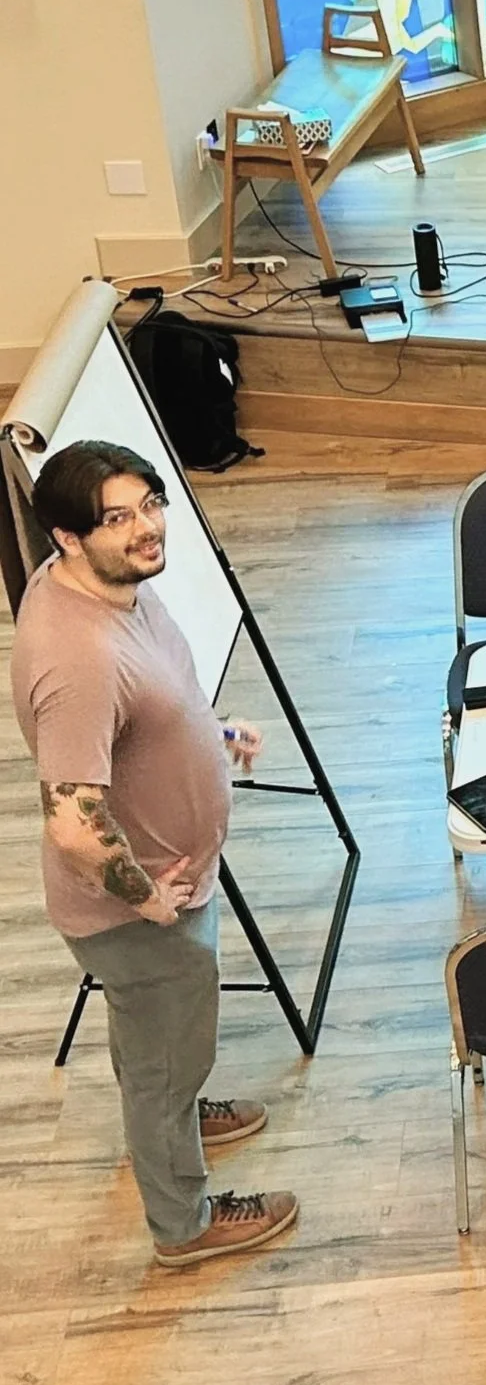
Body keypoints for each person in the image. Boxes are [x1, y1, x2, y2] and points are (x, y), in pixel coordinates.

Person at [10, 441, 295, 1267]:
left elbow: (147, 702)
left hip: (163, 892)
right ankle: (185, 1221)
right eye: (118, 518)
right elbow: (71, 818)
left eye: (151, 504)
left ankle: (169, 1107)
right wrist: (146, 900)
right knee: (168, 1052)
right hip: (138, 913)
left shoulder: (109, 586)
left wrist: (204, 731)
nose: (147, 529)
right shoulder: (79, 657)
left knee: (156, 1039)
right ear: (67, 536)